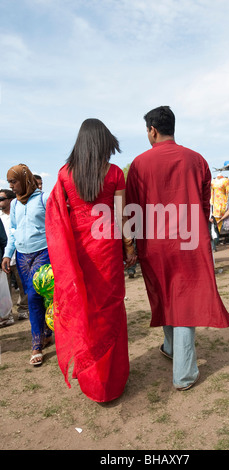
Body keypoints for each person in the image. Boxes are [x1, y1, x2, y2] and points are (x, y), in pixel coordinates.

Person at [126, 106, 229, 391]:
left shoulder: (138, 164)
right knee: (183, 296)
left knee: (166, 294)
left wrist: (132, 246)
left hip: (155, 244)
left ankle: (181, 366)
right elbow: (205, 203)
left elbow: (131, 209)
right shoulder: (196, 160)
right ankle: (177, 358)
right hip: (190, 241)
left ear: (152, 130)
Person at [45, 118, 136, 403]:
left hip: (79, 254)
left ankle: (91, 380)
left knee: (86, 310)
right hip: (107, 250)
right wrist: (130, 247)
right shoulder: (113, 175)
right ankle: (112, 381)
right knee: (110, 312)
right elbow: (122, 216)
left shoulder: (64, 175)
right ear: (102, 143)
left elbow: (57, 217)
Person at [1, 164, 52, 365]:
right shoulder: (14, 205)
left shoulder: (43, 198)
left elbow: (55, 225)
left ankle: (40, 341)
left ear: (24, 179)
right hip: (22, 257)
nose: (11, 186)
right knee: (33, 297)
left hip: (43, 253)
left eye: (14, 182)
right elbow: (13, 231)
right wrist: (7, 254)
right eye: (9, 183)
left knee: (38, 296)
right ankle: (41, 339)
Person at [0, 189, 29, 323]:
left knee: (23, 286)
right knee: (5, 288)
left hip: (19, 255)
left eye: (1, 199)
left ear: (10, 200)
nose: (0, 202)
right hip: (4, 257)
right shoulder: (0, 217)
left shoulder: (19, 213)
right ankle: (7, 315)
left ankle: (23, 310)